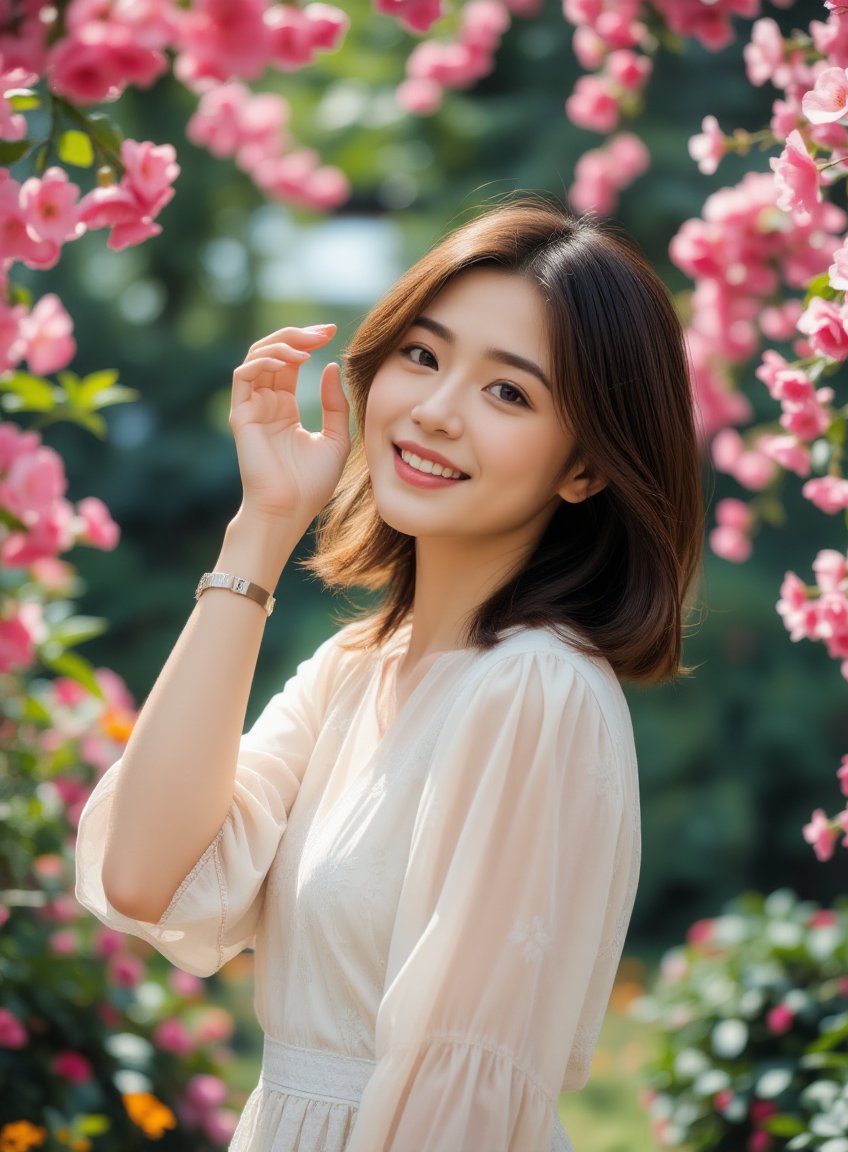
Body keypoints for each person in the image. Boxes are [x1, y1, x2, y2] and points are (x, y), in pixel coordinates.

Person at [75, 197, 703, 1151]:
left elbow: (460, 1094)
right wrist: (265, 525)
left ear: (583, 470)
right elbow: (145, 873)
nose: (438, 411)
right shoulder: (354, 671)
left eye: (510, 393)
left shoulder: (535, 692)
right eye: (423, 354)